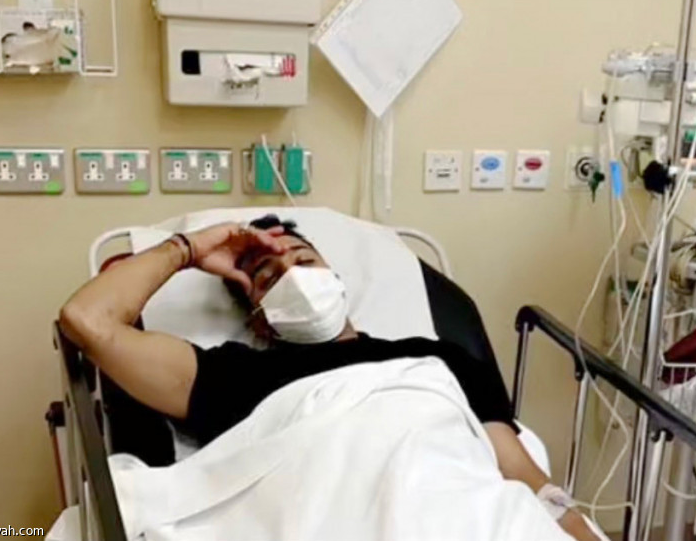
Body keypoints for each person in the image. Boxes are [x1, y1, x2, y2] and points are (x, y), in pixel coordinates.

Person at [59, 216, 601, 541]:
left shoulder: (439, 356)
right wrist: (189, 249)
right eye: (268, 276)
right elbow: (87, 321)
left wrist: (577, 529)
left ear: (337, 279)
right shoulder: (236, 375)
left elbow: (517, 472)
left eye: (305, 262)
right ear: (258, 313)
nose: (291, 275)